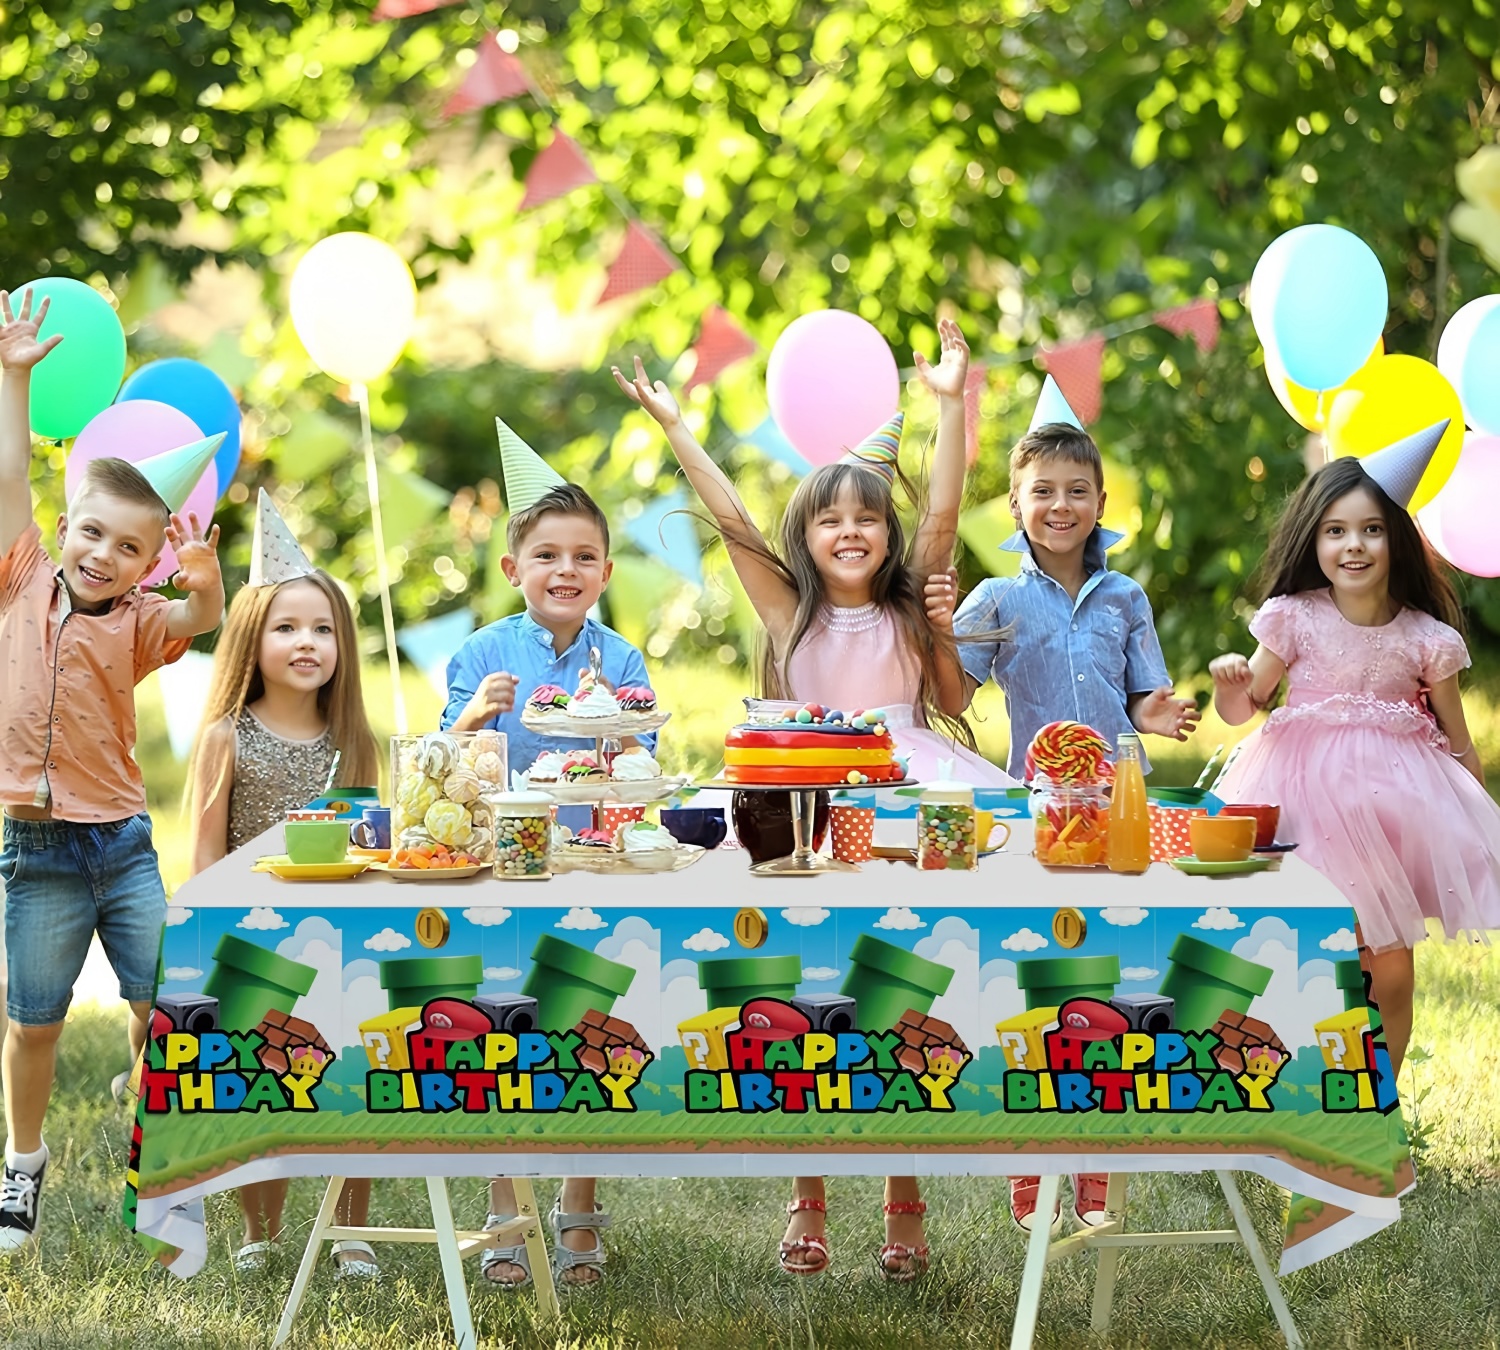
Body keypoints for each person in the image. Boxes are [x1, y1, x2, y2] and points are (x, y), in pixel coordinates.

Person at [615, 318, 1003, 1282]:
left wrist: (951, 404)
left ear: (889, 534)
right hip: (801, 804)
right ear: (809, 533)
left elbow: (947, 506)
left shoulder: (917, 605)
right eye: (830, 519)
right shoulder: (792, 613)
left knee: (896, 987)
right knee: (808, 994)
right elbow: (732, 518)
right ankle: (809, 1192)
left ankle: (904, 1195)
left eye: (867, 518)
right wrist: (674, 429)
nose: (849, 531)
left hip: (906, 791)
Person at [943, 384, 1199, 1235]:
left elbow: (1145, 695)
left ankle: (1098, 1166)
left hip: (1121, 807)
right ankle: (1033, 1164)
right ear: (1015, 502)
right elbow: (951, 694)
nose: (1060, 505)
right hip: (1037, 813)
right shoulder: (994, 600)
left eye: (1076, 490)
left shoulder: (1125, 596)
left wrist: (1159, 714)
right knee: (1040, 983)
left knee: (1114, 981)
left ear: (1100, 503)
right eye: (1042, 490)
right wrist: (940, 630)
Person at [0, 288, 224, 1250]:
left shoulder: (139, 624)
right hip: (36, 850)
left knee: (162, 1012)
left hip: (122, 846)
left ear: (145, 565)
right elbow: (9, 473)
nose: (103, 554)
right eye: (92, 534)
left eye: (130, 548)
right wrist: (15, 377)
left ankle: (168, 1172)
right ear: (67, 522)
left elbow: (197, 621)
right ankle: (23, 1167)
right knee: (35, 1023)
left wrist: (205, 583)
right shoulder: (20, 578)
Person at [1209, 426, 1500, 1078]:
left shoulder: (1427, 639)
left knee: (1391, 969)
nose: (1353, 545)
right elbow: (1242, 708)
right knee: (1319, 953)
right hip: (1304, 808)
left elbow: (1458, 742)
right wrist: (1232, 689)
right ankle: (1308, 1084)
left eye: (1371, 529)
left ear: (1397, 539)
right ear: (1315, 540)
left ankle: (1379, 1105)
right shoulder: (1294, 616)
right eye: (1335, 530)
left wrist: (1477, 830)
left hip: (1392, 815)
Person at [441, 422, 653, 1290]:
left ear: (604, 572)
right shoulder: (481, 654)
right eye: (547, 556)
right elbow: (446, 768)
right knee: (508, 1025)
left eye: (584, 557)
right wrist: (470, 719)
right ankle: (505, 1205)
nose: (565, 571)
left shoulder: (622, 657)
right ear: (513, 570)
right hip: (506, 865)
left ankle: (578, 1205)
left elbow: (635, 762)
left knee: (585, 1028)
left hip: (596, 861)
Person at [184, 490, 382, 1276]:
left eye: (323, 629)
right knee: (257, 1083)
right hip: (251, 941)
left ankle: (352, 1230)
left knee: (357, 1079)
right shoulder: (224, 736)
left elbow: (372, 843)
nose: (308, 642)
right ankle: (259, 1230)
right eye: (287, 627)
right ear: (251, 637)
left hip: (340, 936)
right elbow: (203, 856)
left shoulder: (352, 739)